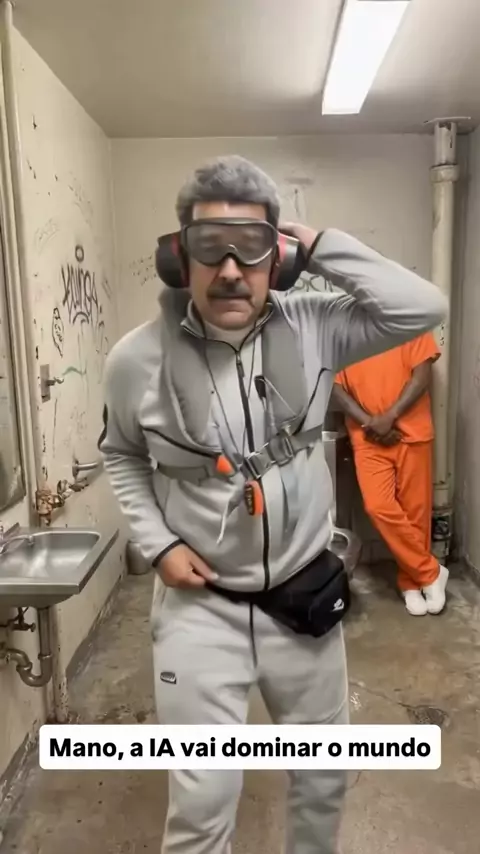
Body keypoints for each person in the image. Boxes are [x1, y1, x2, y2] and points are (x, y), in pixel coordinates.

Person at [98, 155, 447, 854]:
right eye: (209, 247)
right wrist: (159, 546)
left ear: (279, 260)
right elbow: (122, 455)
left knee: (323, 780)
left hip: (303, 601)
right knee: (202, 805)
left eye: (252, 248)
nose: (230, 269)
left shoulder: (318, 326)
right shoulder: (135, 360)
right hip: (202, 611)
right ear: (178, 258)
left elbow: (423, 307)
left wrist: (318, 246)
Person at [332, 334, 448, 617]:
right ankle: (430, 572)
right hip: (367, 436)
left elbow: (422, 375)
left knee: (415, 513)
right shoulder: (343, 333)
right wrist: (370, 423)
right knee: (378, 506)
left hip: (413, 433)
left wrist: (389, 416)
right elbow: (334, 387)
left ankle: (411, 583)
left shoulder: (411, 324)